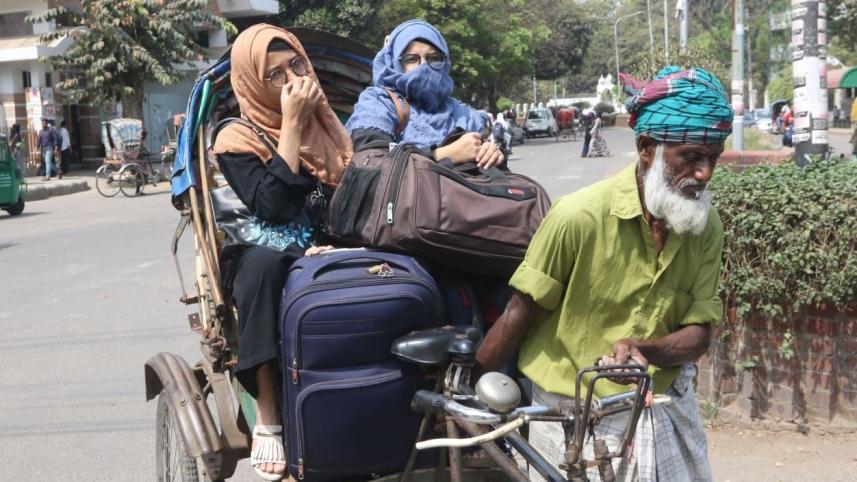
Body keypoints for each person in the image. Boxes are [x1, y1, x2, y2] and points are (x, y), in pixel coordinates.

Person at [476, 66, 733, 481]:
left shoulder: (706, 225)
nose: (704, 173)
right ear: (647, 148)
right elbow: (518, 314)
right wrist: (472, 396)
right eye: (691, 157)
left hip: (663, 406)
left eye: (713, 157)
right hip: (569, 413)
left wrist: (642, 349)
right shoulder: (577, 217)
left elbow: (699, 333)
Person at [210, 24, 351, 481]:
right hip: (263, 246)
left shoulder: (329, 126)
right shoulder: (235, 137)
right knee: (264, 268)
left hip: (325, 239)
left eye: (296, 66)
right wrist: (290, 124)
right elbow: (271, 205)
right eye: (275, 75)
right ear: (254, 82)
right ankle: (268, 411)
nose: (292, 81)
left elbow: (353, 192)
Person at [346, 19, 503, 170]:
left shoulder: (461, 113)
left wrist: (491, 154)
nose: (424, 66)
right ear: (394, 63)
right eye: (411, 59)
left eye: (434, 58)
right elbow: (370, 161)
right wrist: (445, 155)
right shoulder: (379, 102)